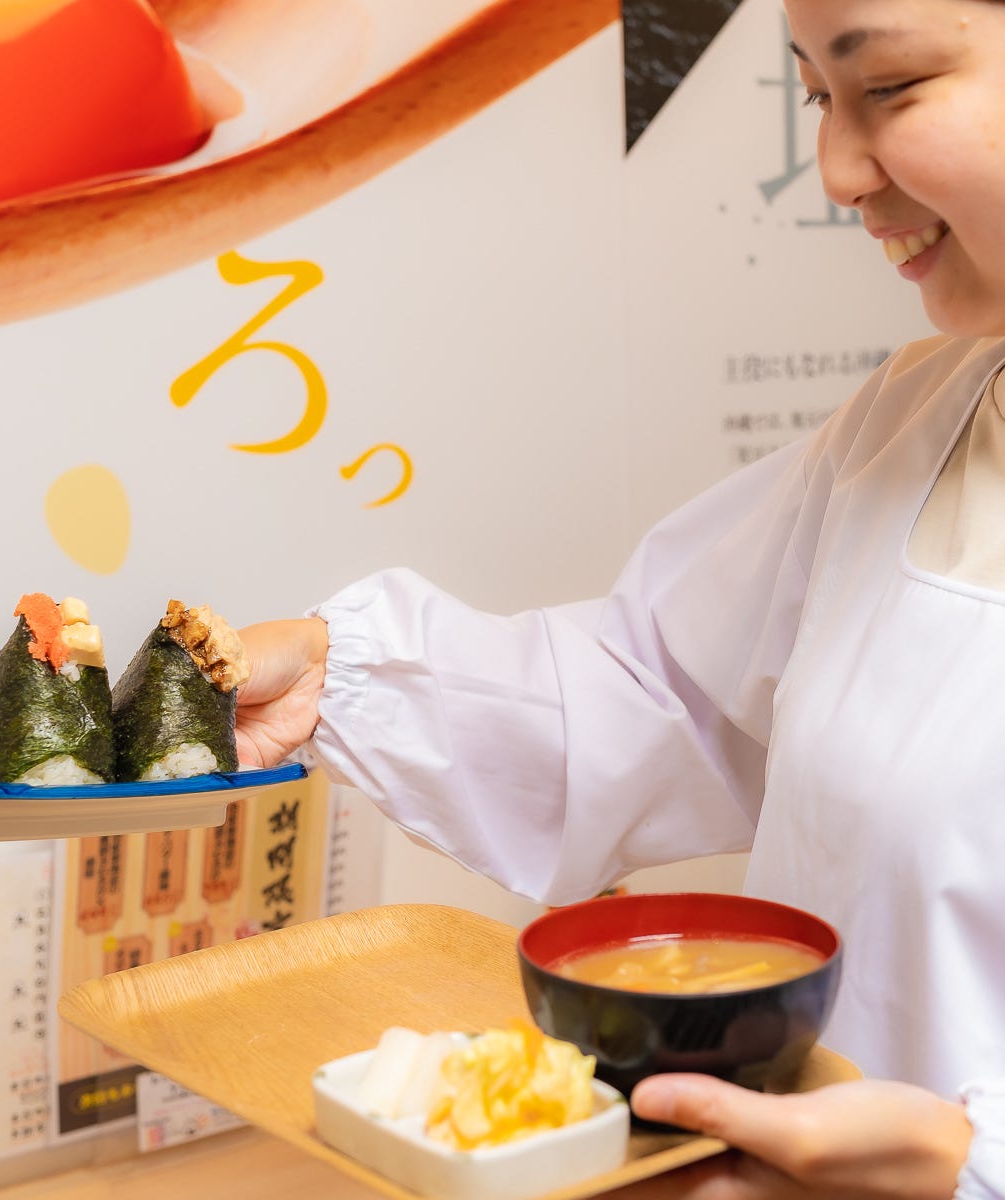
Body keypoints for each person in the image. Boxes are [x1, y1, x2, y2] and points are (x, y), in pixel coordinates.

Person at [234, 0, 1005, 1195]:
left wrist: (968, 1157)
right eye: (816, 96)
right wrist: (337, 674)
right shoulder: (916, 422)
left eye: (892, 87)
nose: (838, 171)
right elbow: (664, 689)